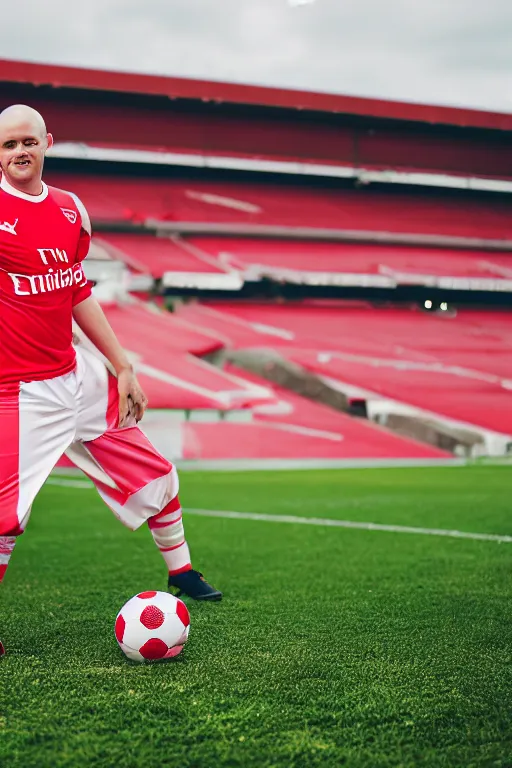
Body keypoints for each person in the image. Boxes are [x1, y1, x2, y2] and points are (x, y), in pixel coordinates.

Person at [0, 105, 222, 657]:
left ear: (47, 141)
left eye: (27, 141)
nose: (19, 153)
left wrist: (122, 365)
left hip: (78, 377)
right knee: (3, 518)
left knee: (158, 478)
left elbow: (76, 293)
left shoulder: (72, 211)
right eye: (7, 146)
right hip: (22, 390)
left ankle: (183, 572)